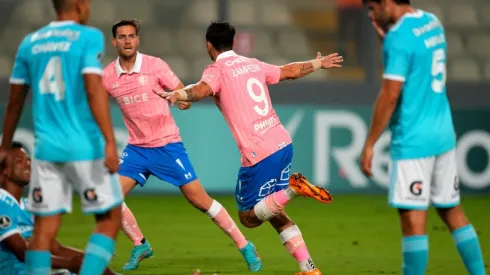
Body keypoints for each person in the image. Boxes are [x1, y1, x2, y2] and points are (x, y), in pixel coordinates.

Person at [155, 20, 341, 275]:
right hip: (282, 143)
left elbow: (200, 90)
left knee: (248, 217)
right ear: (233, 42)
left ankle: (294, 189)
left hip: (259, 153)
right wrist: (317, 63)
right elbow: (289, 71)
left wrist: (178, 95)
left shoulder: (216, 69)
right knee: (275, 213)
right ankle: (308, 268)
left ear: (209, 46)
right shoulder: (252, 64)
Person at [102, 19, 262, 272]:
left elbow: (179, 90)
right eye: (122, 37)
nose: (127, 41)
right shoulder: (108, 76)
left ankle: (245, 246)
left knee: (200, 200)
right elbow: (96, 105)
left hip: (167, 145)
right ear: (114, 42)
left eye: (131, 36)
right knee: (109, 197)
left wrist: (181, 100)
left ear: (138, 40)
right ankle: (140, 244)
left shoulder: (155, 66)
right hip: (136, 149)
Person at [359, 1, 486, 274]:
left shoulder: (398, 38)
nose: (371, 15)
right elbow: (418, 65)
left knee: (413, 220)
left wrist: (370, 143)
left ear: (387, 3)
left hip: (414, 140)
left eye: (372, 7)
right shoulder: (432, 21)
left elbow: (390, 95)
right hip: (443, 134)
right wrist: (388, 44)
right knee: (452, 211)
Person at [0, 0, 123, 274]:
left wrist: (5, 146)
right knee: (109, 218)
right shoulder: (88, 36)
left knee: (43, 229)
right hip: (84, 146)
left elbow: (15, 102)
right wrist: (110, 142)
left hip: (46, 150)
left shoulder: (30, 43)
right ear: (81, 4)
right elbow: (93, 90)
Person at [0, 142, 118, 275]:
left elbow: (55, 248)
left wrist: (90, 258)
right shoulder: (2, 203)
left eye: (28, 160)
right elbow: (22, 252)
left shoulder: (28, 206)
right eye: (19, 161)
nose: (27, 164)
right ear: (4, 169)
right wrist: (70, 264)